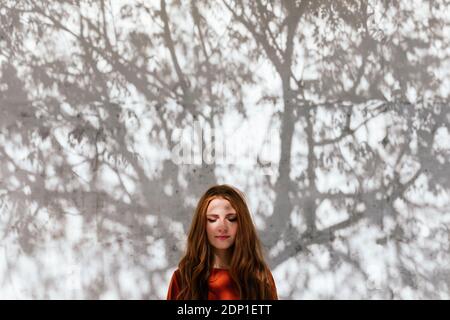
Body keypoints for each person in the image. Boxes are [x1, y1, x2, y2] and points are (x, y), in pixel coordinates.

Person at [166, 184, 278, 300]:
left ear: (242, 224)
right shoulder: (182, 279)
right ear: (202, 225)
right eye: (212, 219)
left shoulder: (261, 278)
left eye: (231, 219)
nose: (222, 227)